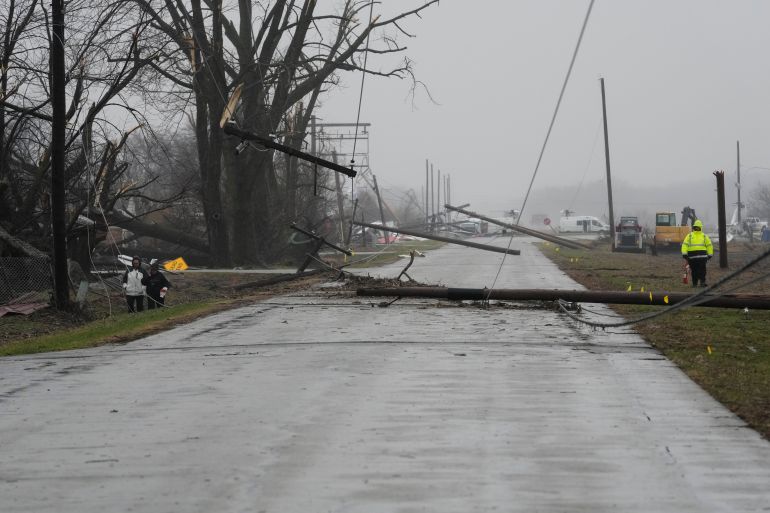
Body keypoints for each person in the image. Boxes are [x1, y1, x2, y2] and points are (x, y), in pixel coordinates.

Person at [681, 219, 713, 287]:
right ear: (701, 227)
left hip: (692, 257)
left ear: (694, 227)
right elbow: (709, 245)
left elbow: (685, 245)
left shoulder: (689, 236)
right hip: (702, 257)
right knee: (702, 270)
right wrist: (710, 255)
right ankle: (702, 282)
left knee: (694, 270)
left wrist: (684, 254)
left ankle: (694, 283)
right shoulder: (704, 236)